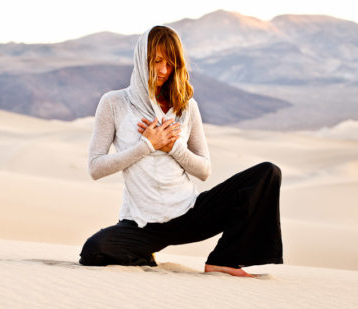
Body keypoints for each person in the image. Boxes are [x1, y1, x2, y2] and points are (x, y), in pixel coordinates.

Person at [78, 25, 283, 277]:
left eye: (171, 63)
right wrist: (147, 146)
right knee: (93, 252)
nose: (164, 70)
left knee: (267, 174)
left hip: (188, 213)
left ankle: (225, 259)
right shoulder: (114, 103)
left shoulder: (186, 107)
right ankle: (143, 254)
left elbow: (204, 170)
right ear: (142, 60)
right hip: (142, 225)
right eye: (157, 61)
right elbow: (95, 167)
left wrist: (173, 147)